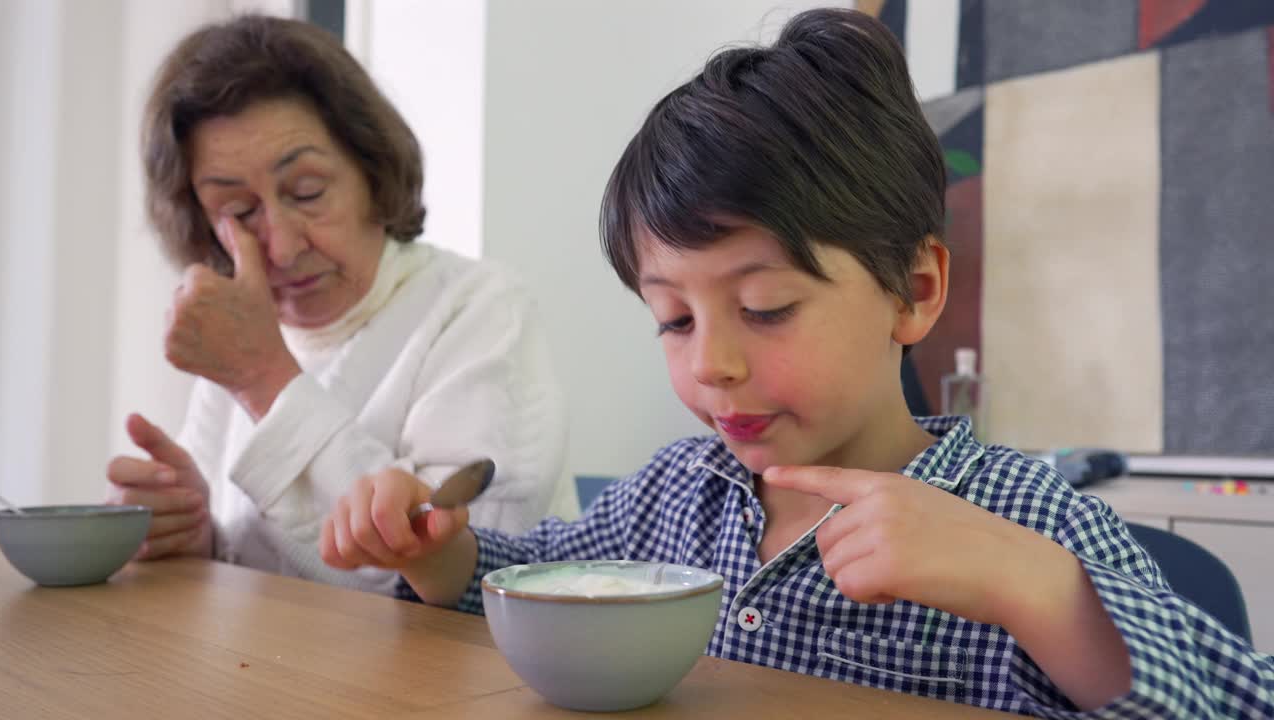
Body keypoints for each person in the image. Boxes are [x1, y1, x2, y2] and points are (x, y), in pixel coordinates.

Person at [316, 8, 1273, 716]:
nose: (714, 365)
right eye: (674, 322)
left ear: (915, 291)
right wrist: (446, 557)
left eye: (766, 308)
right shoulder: (673, 496)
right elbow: (542, 585)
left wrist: (1039, 588)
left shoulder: (1022, 516)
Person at [104, 14, 577, 596]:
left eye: (307, 192)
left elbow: (468, 571)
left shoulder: (479, 308)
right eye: (238, 211)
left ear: (370, 169)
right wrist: (197, 535)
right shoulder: (250, 328)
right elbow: (260, 567)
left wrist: (264, 378)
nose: (280, 245)